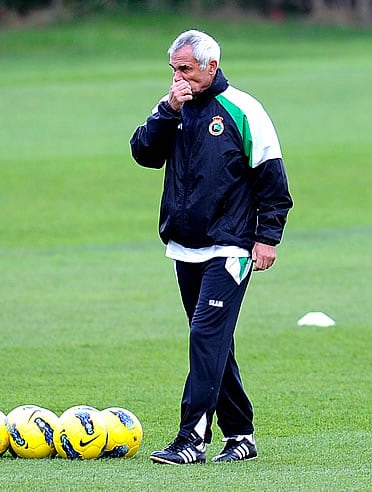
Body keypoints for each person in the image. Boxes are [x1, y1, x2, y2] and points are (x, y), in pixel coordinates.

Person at [130, 29, 293, 464]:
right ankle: (241, 436)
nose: (178, 77)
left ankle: (191, 439)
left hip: (232, 247)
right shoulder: (172, 108)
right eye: (173, 70)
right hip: (185, 248)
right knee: (214, 343)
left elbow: (273, 182)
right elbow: (144, 153)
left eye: (185, 69)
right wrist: (168, 109)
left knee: (205, 337)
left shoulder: (243, 109)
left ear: (211, 66)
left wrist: (267, 238)